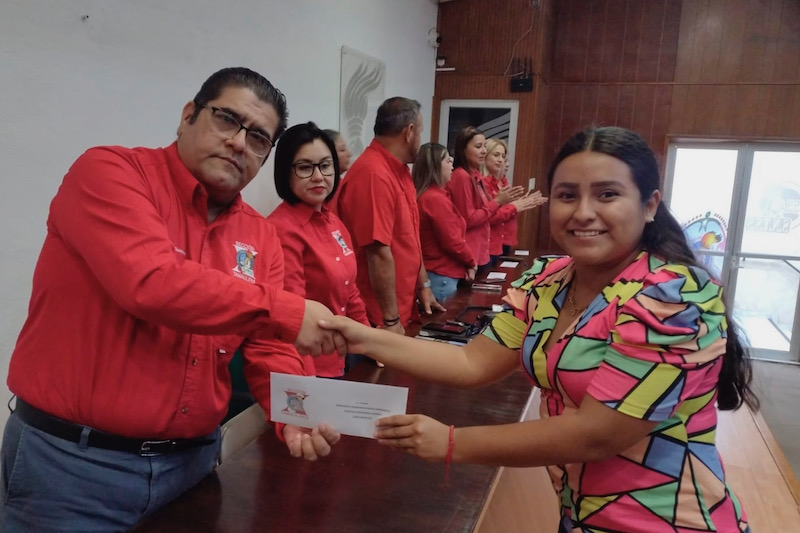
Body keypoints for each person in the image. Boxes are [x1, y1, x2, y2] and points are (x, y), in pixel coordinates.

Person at [323, 126, 758, 533]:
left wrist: (452, 443)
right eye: (567, 195)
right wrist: (359, 335)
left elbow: (597, 435)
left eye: (607, 194)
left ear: (649, 205)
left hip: (666, 521)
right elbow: (470, 361)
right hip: (579, 513)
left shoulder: (672, 297)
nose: (583, 212)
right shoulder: (550, 281)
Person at [1, 67, 342, 532]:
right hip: (74, 471)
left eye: (259, 139)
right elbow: (151, 282)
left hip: (193, 469)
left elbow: (268, 345)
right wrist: (288, 310)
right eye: (227, 119)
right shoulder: (110, 173)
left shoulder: (260, 236)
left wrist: (295, 411)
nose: (238, 143)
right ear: (187, 116)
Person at [267, 122, 370, 377]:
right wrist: (308, 384)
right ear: (285, 171)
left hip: (343, 355)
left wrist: (372, 343)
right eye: (305, 167)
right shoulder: (281, 230)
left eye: (325, 165)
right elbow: (294, 316)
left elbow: (350, 290)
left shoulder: (333, 221)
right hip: (310, 365)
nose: (318, 177)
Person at [336, 97, 444, 336]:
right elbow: (377, 252)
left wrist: (424, 285)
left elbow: (410, 240)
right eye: (421, 132)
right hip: (377, 318)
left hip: (403, 306)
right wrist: (391, 320)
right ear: (410, 132)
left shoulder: (400, 170)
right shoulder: (374, 174)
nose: (421, 139)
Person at [446, 127, 539, 271]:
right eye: (478, 147)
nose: (483, 151)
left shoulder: (475, 176)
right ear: (463, 149)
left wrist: (512, 204)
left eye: (484, 146)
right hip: (472, 252)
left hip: (483, 250)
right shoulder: (462, 176)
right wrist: (504, 203)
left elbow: (487, 212)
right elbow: (470, 219)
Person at [412, 143, 476, 302]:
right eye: (448, 161)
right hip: (440, 276)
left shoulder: (435, 195)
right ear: (435, 167)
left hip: (441, 274)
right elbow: (452, 241)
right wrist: (471, 262)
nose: (452, 165)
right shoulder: (434, 199)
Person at [481, 138, 547, 260]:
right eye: (496, 155)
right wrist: (515, 206)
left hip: (503, 241)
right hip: (488, 245)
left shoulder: (500, 182)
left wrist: (523, 203)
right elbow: (489, 217)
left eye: (503, 156)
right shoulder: (483, 184)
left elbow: (506, 211)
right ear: (485, 156)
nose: (501, 160)